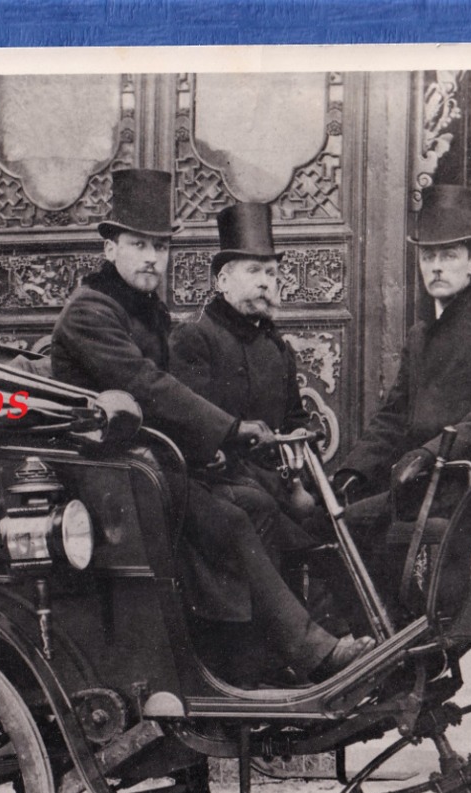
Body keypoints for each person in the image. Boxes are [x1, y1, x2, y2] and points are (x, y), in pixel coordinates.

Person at [50, 169, 370, 684]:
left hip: (144, 468)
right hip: (105, 477)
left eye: (160, 246)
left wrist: (213, 446)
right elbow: (148, 385)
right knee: (232, 520)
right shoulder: (91, 312)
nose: (153, 256)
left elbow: (162, 392)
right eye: (139, 244)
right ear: (111, 248)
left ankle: (254, 661)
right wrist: (228, 430)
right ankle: (307, 651)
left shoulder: (141, 309)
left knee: (252, 505)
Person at [331, 184, 471, 512]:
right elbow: (394, 416)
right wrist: (354, 470)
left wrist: (431, 452)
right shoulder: (420, 335)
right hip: (418, 483)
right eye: (428, 257)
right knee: (328, 523)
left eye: (449, 255)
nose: (436, 266)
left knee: (351, 528)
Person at [169, 201, 319, 565]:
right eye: (254, 271)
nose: (266, 282)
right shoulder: (195, 339)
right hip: (223, 485)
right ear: (222, 281)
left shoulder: (277, 346)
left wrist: (303, 454)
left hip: (280, 479)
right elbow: (194, 429)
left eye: (271, 272)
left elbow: (295, 419)